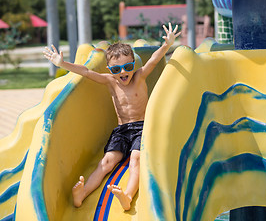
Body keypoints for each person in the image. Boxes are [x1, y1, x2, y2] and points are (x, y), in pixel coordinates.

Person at [43, 23, 181, 211]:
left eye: (128, 66)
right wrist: (62, 64)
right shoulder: (110, 81)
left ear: (134, 64)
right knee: (107, 162)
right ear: (109, 69)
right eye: (116, 69)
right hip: (121, 131)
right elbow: (86, 72)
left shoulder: (139, 76)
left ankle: (128, 195)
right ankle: (82, 194)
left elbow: (154, 61)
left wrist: (167, 45)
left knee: (136, 159)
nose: (123, 72)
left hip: (142, 128)